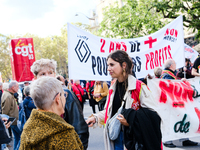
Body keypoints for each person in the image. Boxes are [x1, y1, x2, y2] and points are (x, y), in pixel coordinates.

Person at [86, 50, 161, 150]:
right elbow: (109, 112)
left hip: (132, 141)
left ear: (124, 65)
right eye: (107, 65)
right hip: (115, 139)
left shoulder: (139, 87)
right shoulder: (112, 86)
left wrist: (130, 120)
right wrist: (96, 118)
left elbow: (153, 115)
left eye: (112, 65)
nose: (108, 69)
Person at [30, 58, 89, 150]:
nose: (47, 76)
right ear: (36, 77)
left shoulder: (65, 95)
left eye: (50, 72)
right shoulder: (35, 97)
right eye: (43, 74)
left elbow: (80, 128)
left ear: (55, 74)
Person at [19, 77, 83, 150]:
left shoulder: (28, 128)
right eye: (64, 95)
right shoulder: (64, 134)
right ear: (58, 98)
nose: (65, 98)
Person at [160, 59, 198, 148]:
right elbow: (171, 86)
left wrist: (181, 80)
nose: (176, 65)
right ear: (171, 66)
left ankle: (184, 139)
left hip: (175, 102)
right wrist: (180, 82)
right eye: (175, 63)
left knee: (181, 119)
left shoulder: (170, 74)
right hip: (170, 103)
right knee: (170, 120)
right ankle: (167, 140)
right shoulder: (166, 75)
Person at [1, 81, 21, 150]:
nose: (18, 88)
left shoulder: (9, 94)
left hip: (13, 121)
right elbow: (5, 112)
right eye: (17, 87)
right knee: (22, 136)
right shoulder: (8, 96)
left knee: (17, 137)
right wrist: (6, 123)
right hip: (13, 121)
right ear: (13, 87)